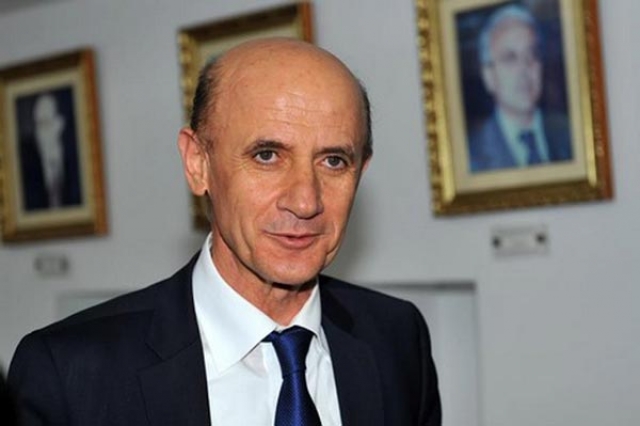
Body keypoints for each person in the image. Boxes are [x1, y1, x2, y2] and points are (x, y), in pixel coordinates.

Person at [8, 38, 441, 425]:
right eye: (267, 155)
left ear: (361, 171)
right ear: (198, 164)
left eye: (333, 161)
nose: (305, 201)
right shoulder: (69, 373)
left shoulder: (397, 337)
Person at [468, 4, 572, 173]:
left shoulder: (569, 133)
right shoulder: (472, 157)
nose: (525, 69)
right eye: (510, 58)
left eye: (532, 55)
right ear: (489, 76)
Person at [18, 92, 82, 210]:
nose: (40, 134)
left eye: (46, 123)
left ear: (60, 124)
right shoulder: (26, 173)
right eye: (38, 125)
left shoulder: (78, 162)